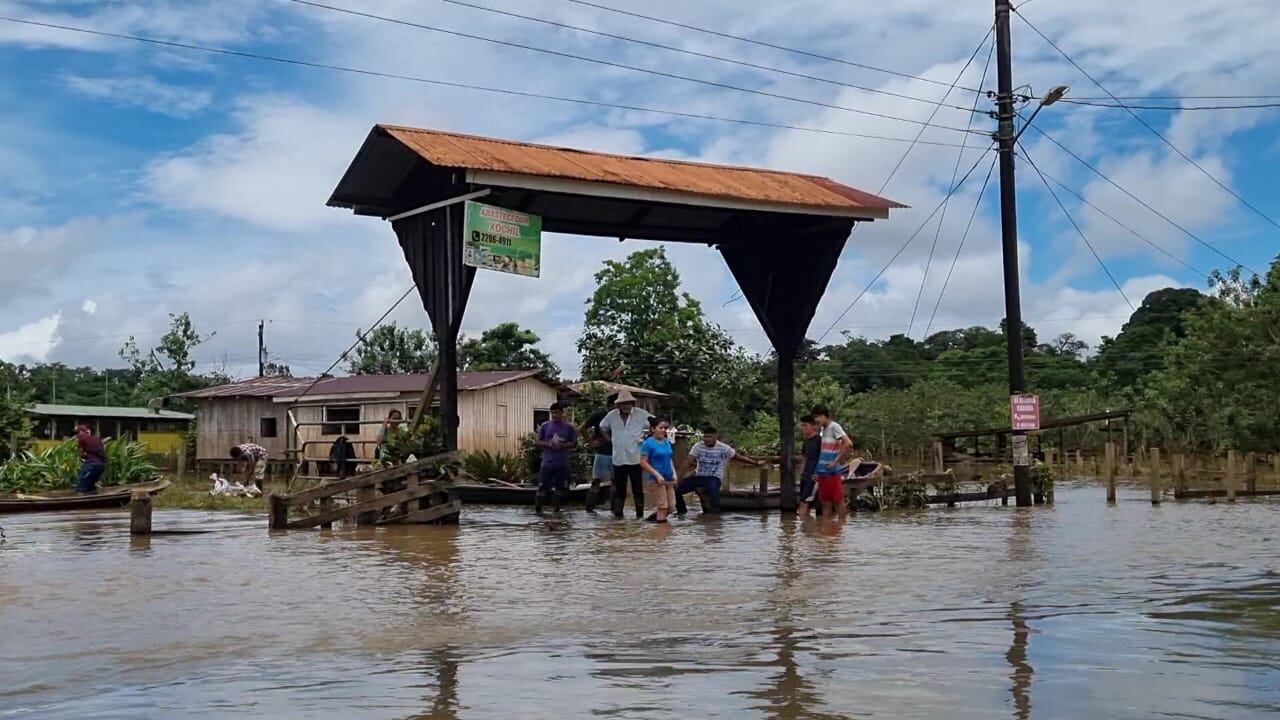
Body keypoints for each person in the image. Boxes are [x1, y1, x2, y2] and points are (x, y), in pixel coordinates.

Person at [675, 426, 761, 515]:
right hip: (699, 476)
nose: (706, 439)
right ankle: (681, 513)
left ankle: (715, 516)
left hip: (714, 477)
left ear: (715, 437)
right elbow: (687, 462)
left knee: (712, 492)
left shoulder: (723, 448)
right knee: (676, 491)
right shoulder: (698, 446)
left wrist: (756, 463)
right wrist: (678, 479)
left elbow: (738, 457)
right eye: (705, 437)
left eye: (709, 437)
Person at [599, 390, 653, 518]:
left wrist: (646, 438)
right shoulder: (612, 415)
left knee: (638, 490)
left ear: (632, 403)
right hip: (618, 457)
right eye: (623, 404)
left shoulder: (641, 414)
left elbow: (655, 424)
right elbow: (602, 426)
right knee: (620, 490)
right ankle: (618, 517)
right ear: (618, 405)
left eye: (628, 403)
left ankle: (640, 516)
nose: (626, 406)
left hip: (635, 457)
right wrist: (609, 439)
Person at [534, 402, 577, 514]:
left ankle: (556, 511)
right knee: (541, 489)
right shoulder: (545, 426)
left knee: (560, 490)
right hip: (547, 463)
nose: (555, 415)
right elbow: (538, 441)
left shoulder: (569, 427)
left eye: (557, 413)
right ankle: (538, 511)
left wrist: (563, 445)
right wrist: (549, 444)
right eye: (553, 413)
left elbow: (574, 443)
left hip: (562, 463)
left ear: (562, 413)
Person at [812, 405, 853, 521]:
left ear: (825, 416)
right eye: (815, 417)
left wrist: (836, 461)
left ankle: (840, 528)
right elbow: (822, 452)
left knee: (838, 501)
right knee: (825, 503)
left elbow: (848, 443)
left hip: (832, 472)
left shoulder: (834, 426)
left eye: (818, 417)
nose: (816, 420)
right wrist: (817, 471)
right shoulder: (823, 430)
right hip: (822, 471)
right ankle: (827, 532)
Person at [580, 393, 618, 513]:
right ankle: (590, 510)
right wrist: (591, 442)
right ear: (611, 405)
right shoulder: (599, 416)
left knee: (615, 482)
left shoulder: (621, 418)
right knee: (596, 481)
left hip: (617, 453)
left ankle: (615, 511)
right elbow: (582, 428)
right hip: (602, 452)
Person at [639, 417, 678, 522]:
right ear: (653, 429)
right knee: (663, 507)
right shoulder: (648, 443)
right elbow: (643, 462)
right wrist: (657, 474)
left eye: (665, 428)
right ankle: (660, 533)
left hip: (668, 478)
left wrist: (674, 473)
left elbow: (669, 459)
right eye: (661, 428)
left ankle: (651, 521)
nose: (664, 430)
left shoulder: (666, 442)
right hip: (656, 480)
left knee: (671, 507)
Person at [796, 415, 822, 517]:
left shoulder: (819, 440)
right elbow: (804, 457)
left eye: (805, 425)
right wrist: (801, 473)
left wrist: (818, 473)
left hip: (814, 475)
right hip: (806, 475)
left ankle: (801, 526)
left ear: (813, 426)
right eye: (802, 426)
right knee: (806, 502)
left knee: (804, 502)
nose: (803, 428)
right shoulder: (806, 441)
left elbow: (822, 458)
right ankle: (807, 529)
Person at [74, 423, 106, 495]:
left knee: (80, 487)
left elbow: (80, 453)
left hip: (92, 464)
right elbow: (101, 452)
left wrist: (82, 454)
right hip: (101, 465)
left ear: (82, 432)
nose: (76, 435)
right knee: (90, 485)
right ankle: (93, 497)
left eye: (77, 433)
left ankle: (79, 501)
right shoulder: (96, 439)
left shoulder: (82, 438)